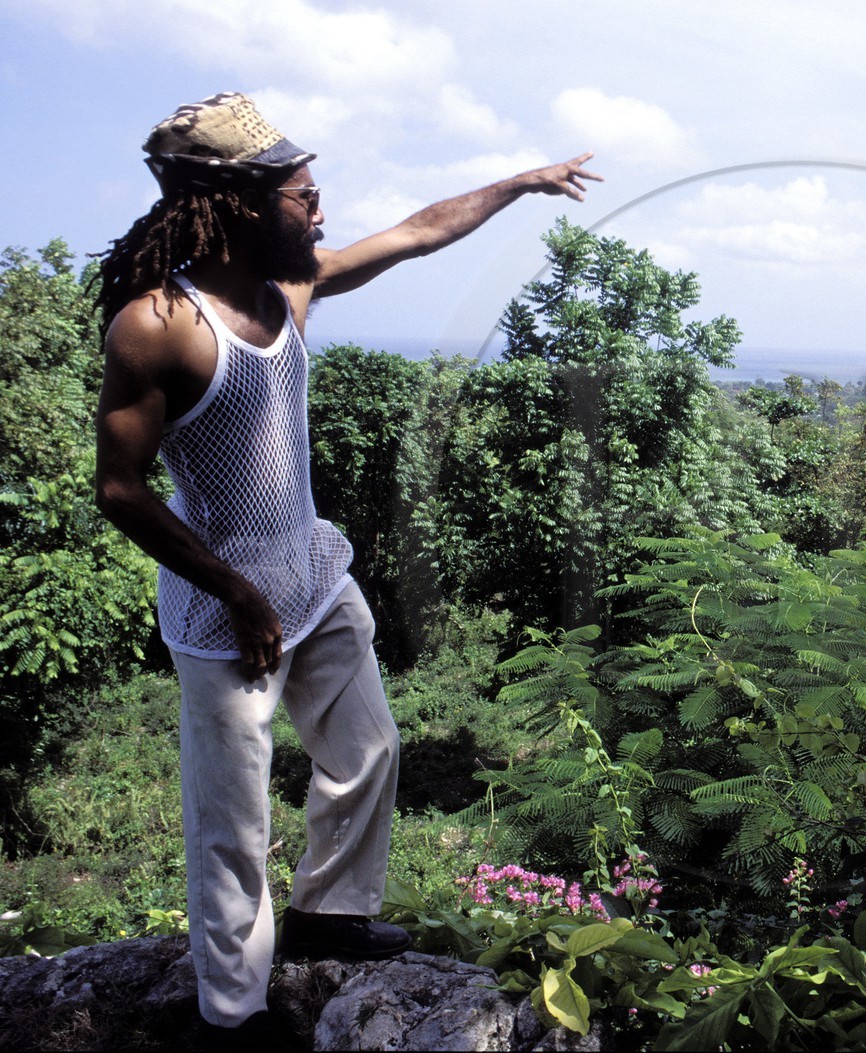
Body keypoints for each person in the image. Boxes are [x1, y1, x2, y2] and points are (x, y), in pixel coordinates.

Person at [92, 92, 601, 1037]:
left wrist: (524, 182)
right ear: (239, 205)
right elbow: (120, 488)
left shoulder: (291, 287)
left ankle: (329, 914)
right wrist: (235, 591)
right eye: (303, 195)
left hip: (313, 575)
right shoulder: (159, 326)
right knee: (233, 820)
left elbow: (417, 233)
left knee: (368, 749)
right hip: (222, 606)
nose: (319, 210)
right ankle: (232, 1014)